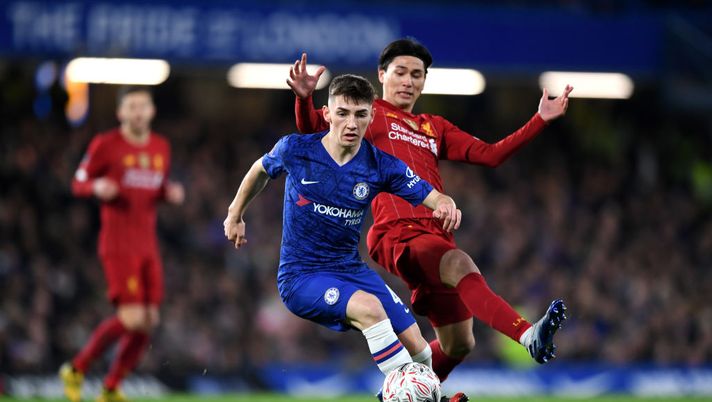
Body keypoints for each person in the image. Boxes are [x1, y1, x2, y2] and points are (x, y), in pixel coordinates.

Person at [287, 38, 571, 383]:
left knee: (459, 343)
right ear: (382, 74)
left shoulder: (433, 126)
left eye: (417, 75)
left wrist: (539, 119)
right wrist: (304, 98)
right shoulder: (368, 115)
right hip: (398, 230)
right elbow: (312, 128)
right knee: (459, 263)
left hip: (435, 233)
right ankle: (528, 335)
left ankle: (399, 394)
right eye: (401, 72)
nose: (408, 81)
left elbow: (491, 154)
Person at [224, 74, 467, 402]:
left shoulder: (380, 165)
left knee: (421, 350)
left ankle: (405, 396)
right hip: (302, 276)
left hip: (350, 270)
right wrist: (235, 213)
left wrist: (444, 202)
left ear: (371, 116)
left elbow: (428, 193)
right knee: (370, 309)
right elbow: (260, 170)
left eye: (360, 114)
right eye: (343, 113)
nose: (351, 123)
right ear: (327, 114)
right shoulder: (297, 150)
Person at [60, 86, 185, 402]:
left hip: (147, 245)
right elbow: (78, 181)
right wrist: (95, 186)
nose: (138, 112)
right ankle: (77, 368)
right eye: (132, 107)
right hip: (118, 244)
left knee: (149, 322)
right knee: (131, 319)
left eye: (143, 106)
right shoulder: (106, 144)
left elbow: (154, 188)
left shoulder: (161, 147)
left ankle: (111, 387)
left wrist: (168, 193)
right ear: (121, 113)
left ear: (152, 111)